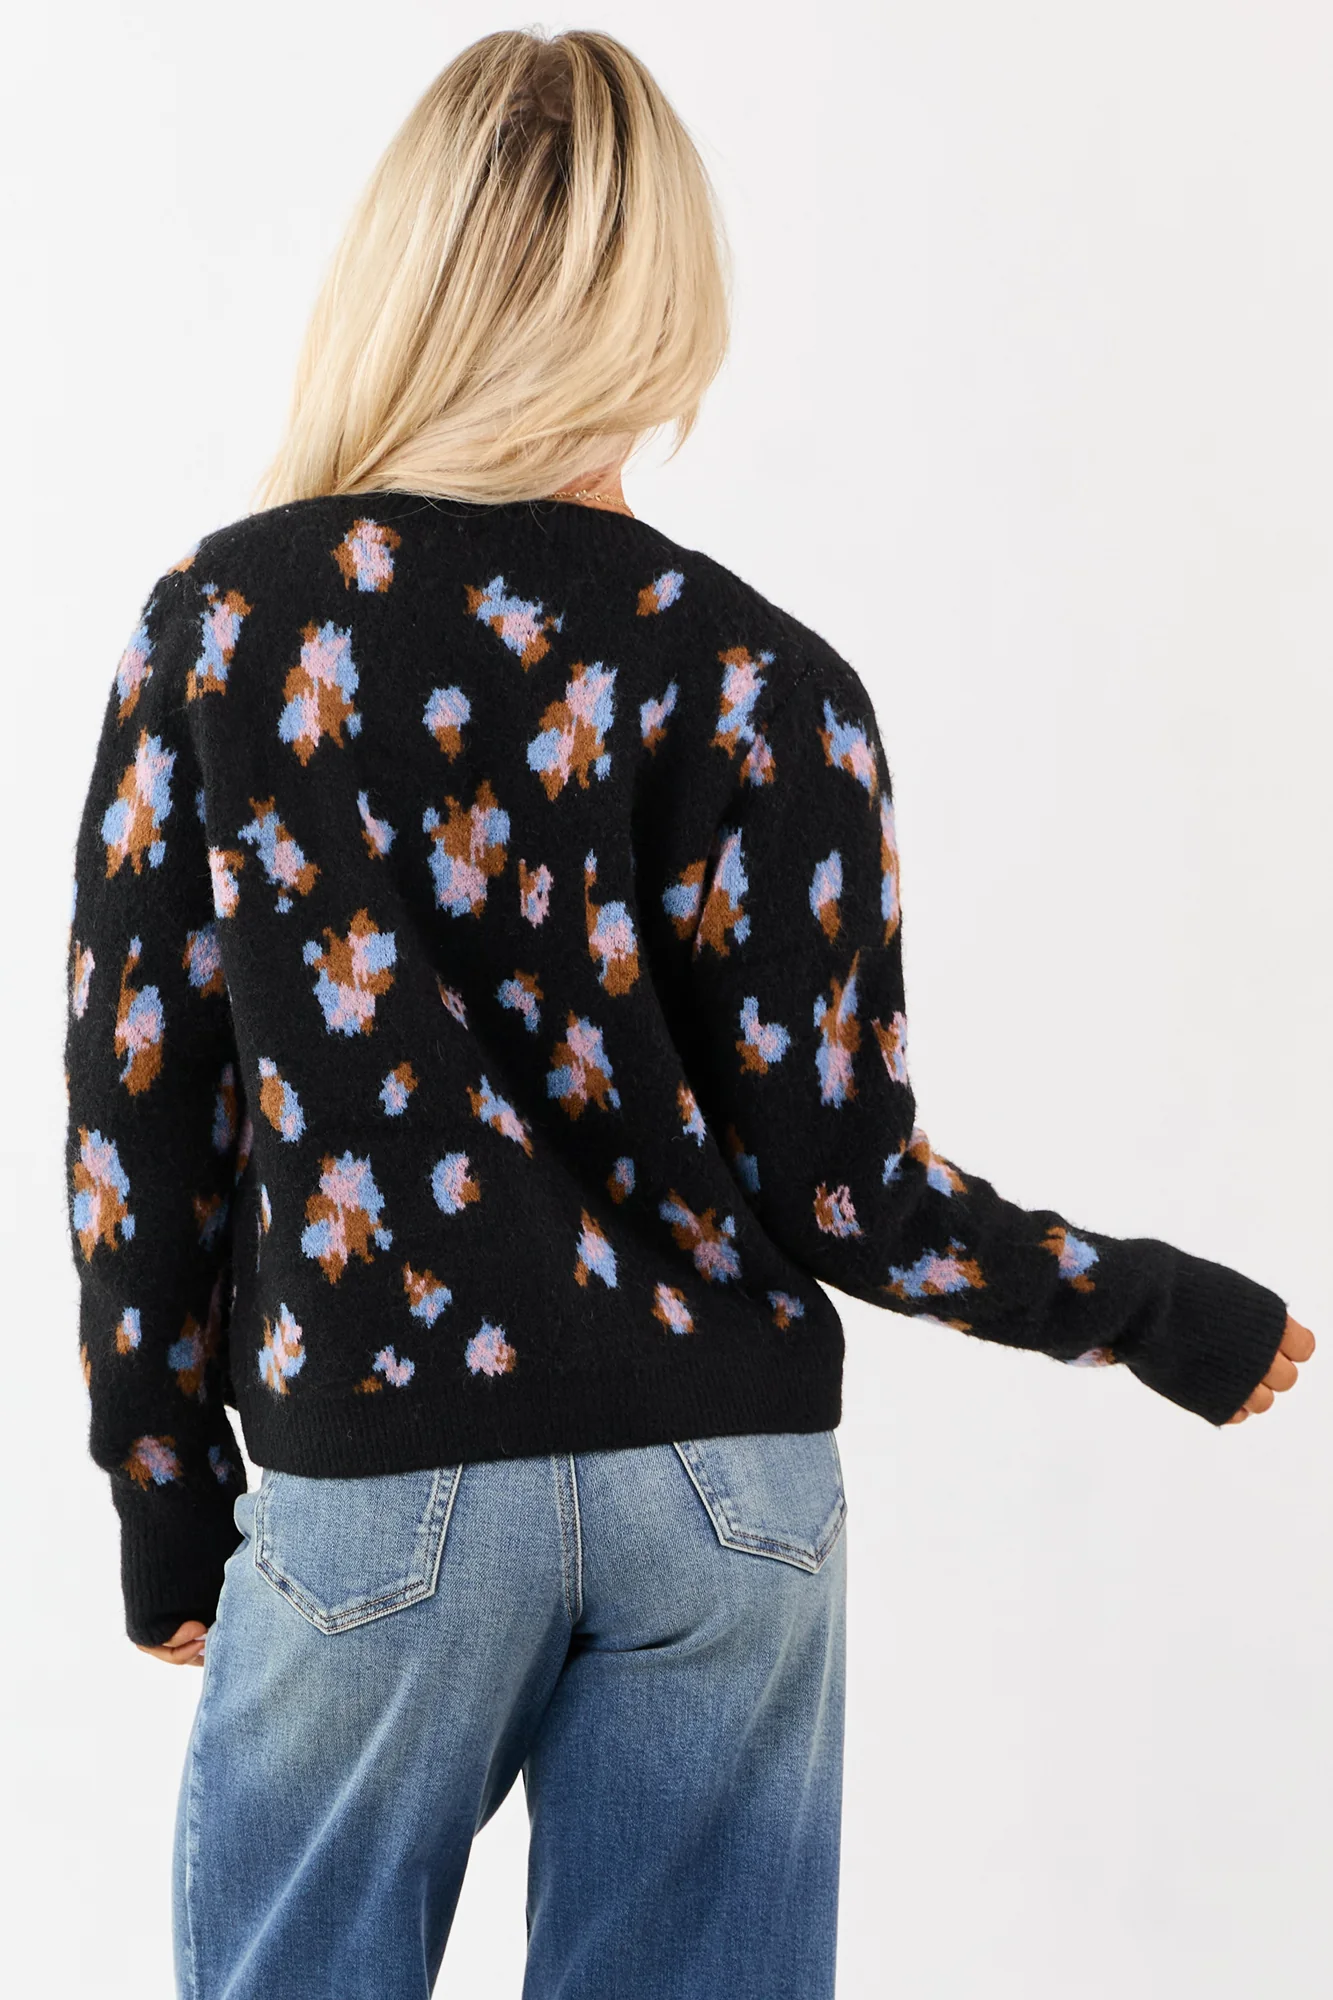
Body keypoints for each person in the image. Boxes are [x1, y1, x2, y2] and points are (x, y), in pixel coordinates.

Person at [63, 27, 1314, 2000]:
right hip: (726, 1487)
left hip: (382, 1463)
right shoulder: (768, 683)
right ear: (664, 299)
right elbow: (850, 1187)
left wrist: (163, 1491)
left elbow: (143, 1115)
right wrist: (1160, 1309)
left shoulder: (227, 633)